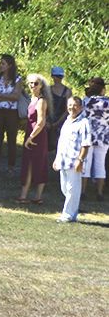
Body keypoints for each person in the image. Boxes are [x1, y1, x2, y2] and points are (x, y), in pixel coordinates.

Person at [53, 94, 92, 223]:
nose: (72, 108)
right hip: (63, 161)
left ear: (80, 107)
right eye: (70, 105)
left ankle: (67, 215)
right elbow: (62, 141)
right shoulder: (67, 120)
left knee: (72, 189)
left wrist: (80, 160)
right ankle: (73, 213)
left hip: (74, 162)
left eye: (75, 106)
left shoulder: (84, 122)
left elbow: (86, 144)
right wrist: (57, 159)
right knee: (65, 188)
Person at [18, 74, 51, 205]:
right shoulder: (32, 99)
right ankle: (23, 195)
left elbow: (41, 122)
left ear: (41, 85)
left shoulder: (41, 101)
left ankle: (38, 196)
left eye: (36, 83)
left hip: (37, 136)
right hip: (30, 134)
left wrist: (31, 137)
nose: (32, 86)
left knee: (39, 164)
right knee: (28, 164)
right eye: (31, 83)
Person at [0, 54, 23, 171]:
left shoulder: (17, 79)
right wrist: (8, 97)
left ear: (10, 65)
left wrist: (1, 95)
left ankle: (11, 165)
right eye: (0, 63)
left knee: (12, 138)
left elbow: (16, 96)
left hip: (12, 112)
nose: (0, 65)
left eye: (3, 63)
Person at [83, 77, 109, 203]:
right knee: (100, 165)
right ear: (102, 89)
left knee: (86, 164)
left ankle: (82, 191)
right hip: (103, 136)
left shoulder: (87, 101)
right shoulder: (108, 102)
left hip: (88, 135)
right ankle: (99, 193)